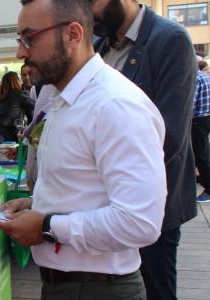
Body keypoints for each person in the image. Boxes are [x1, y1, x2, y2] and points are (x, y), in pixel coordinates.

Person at [0, 1, 167, 299]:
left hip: (99, 289)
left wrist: (48, 225)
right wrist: (38, 204)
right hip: (68, 284)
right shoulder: (63, 99)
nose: (21, 52)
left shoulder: (115, 105)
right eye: (19, 40)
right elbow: (83, 185)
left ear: (73, 34)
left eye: (29, 38)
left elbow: (140, 223)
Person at [92, 1, 198, 298]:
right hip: (106, 207)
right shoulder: (99, 45)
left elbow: (170, 135)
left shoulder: (170, 39)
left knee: (157, 290)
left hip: (151, 206)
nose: (86, 12)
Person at [0, 71, 35, 142]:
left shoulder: (0, 96)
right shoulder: (19, 94)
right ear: (16, 81)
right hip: (5, 132)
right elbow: (36, 105)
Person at [194, 60, 210, 202]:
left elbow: (190, 103)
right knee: (203, 152)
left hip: (197, 119)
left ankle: (208, 188)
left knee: (201, 154)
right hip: (206, 118)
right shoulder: (205, 77)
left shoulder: (196, 78)